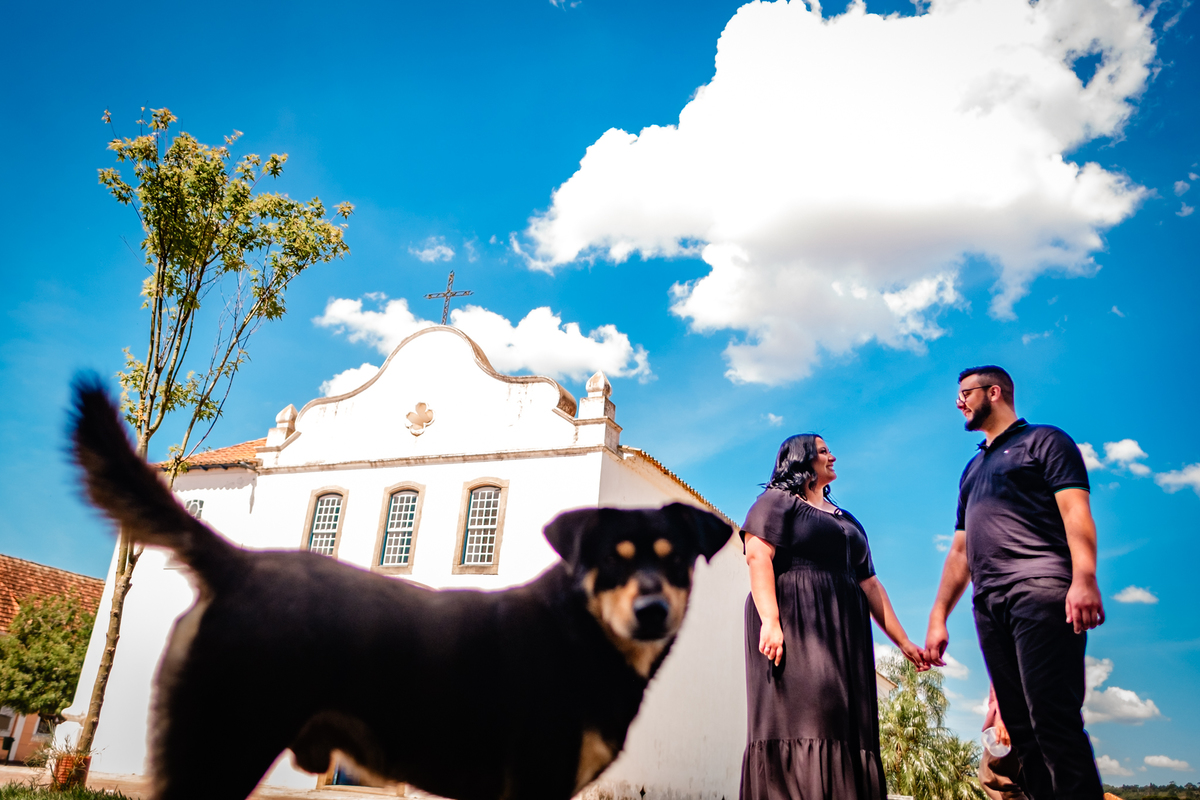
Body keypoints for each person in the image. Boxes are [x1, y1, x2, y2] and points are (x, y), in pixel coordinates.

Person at [923, 365, 1105, 800]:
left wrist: (1084, 577)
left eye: (966, 393)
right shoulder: (972, 470)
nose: (958, 402)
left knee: (1053, 721)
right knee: (1021, 733)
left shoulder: (1045, 442)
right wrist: (938, 615)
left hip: (1041, 590)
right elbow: (960, 552)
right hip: (989, 605)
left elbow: (1075, 512)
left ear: (995, 392)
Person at [740, 434, 926, 800]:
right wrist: (772, 622)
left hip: (845, 633)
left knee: (846, 724)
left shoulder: (846, 519)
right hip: (798, 623)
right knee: (813, 717)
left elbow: (871, 584)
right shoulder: (777, 502)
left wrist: (903, 643)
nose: (833, 457)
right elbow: (757, 555)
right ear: (801, 458)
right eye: (824, 451)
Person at [980, 684, 1029, 800]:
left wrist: (1004, 717)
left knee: (995, 778)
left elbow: (1009, 677)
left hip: (1013, 721)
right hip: (1026, 721)